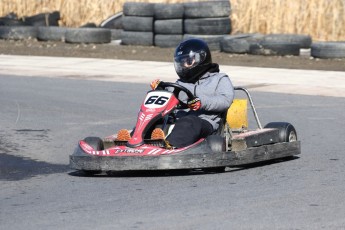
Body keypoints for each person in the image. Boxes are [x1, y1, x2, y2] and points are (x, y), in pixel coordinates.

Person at [117, 38, 234, 148]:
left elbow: (225, 100)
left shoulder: (219, 79)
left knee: (189, 121)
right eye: (181, 62)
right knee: (156, 120)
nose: (183, 66)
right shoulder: (179, 83)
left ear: (201, 58)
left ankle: (170, 146)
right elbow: (166, 100)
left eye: (187, 61)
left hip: (204, 122)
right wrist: (158, 90)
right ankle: (132, 143)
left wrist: (201, 102)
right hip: (176, 120)